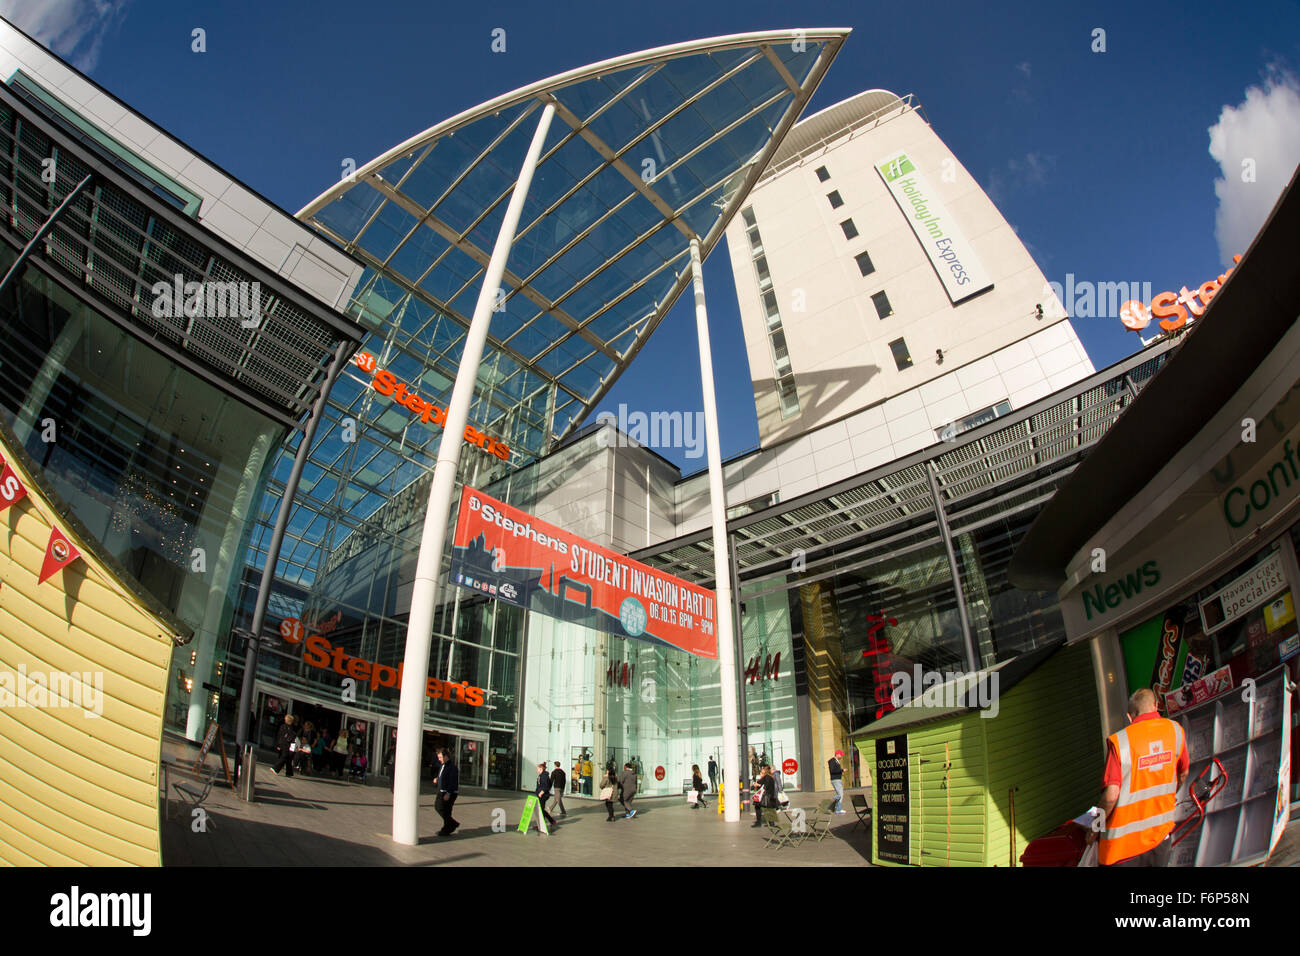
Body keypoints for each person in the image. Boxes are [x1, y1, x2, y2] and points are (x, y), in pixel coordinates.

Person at [1093, 687, 1189, 866]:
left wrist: (1094, 827)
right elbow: (1183, 774)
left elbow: (1111, 796)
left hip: (1121, 850)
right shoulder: (1175, 731)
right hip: (1159, 839)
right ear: (1157, 706)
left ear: (1129, 716)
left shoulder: (1120, 741)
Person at [435, 747, 460, 836]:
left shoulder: (452, 767)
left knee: (442, 809)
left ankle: (450, 825)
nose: (439, 759)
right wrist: (437, 779)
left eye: (440, 757)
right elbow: (442, 775)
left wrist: (448, 793)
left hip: (448, 793)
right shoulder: (443, 765)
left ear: (446, 756)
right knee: (444, 810)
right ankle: (449, 827)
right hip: (441, 791)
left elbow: (453, 781)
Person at [535, 762, 558, 829]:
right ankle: (551, 821)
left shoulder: (544, 776)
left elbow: (546, 786)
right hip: (540, 795)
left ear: (541, 769)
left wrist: (541, 792)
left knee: (541, 810)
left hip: (543, 795)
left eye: (537, 769)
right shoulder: (541, 775)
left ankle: (541, 824)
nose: (537, 770)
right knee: (541, 809)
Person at [828, 749, 846, 814]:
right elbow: (832, 770)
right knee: (840, 794)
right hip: (835, 779)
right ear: (837, 754)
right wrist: (842, 770)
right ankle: (837, 807)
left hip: (838, 779)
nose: (841, 756)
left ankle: (838, 808)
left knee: (840, 793)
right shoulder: (832, 761)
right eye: (840, 755)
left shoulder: (837, 761)